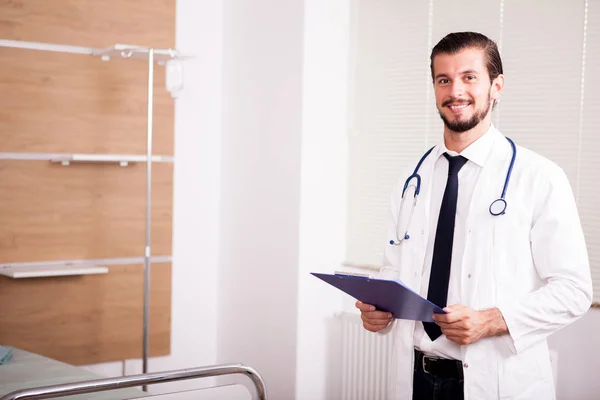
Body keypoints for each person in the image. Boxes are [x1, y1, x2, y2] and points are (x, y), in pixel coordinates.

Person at [355, 31, 593, 400]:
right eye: (443, 80)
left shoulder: (539, 177)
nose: (455, 92)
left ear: (496, 86)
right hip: (415, 375)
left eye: (469, 77)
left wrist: (490, 321)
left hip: (494, 381)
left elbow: (574, 292)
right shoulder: (411, 179)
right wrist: (379, 310)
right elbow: (396, 266)